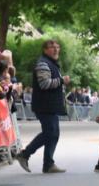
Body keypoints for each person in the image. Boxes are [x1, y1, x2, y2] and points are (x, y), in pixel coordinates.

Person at [15, 39, 70, 174]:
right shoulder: (43, 64)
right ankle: (25, 154)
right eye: (52, 47)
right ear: (45, 50)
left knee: (54, 133)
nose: (56, 49)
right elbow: (44, 84)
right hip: (44, 105)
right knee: (50, 133)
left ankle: (48, 164)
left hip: (50, 105)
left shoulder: (51, 63)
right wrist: (62, 80)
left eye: (57, 47)